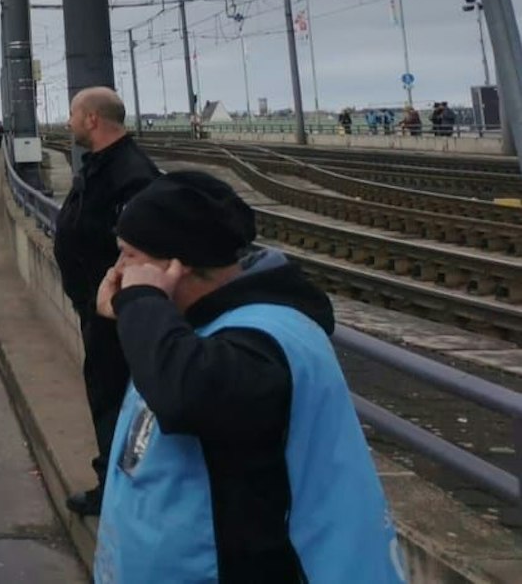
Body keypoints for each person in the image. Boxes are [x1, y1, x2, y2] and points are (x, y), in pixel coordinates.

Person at [94, 172, 404, 581]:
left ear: (173, 267)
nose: (117, 270)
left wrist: (141, 302)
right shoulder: (189, 328)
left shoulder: (262, 344)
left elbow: (186, 396)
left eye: (128, 255)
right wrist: (135, 312)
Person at [54, 86, 161, 518]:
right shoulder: (104, 165)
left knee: (116, 397)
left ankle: (118, 490)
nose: (68, 122)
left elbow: (141, 244)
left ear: (92, 119)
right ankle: (115, 482)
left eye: (73, 114)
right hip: (99, 309)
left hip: (118, 314)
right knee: (106, 393)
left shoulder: (131, 174)